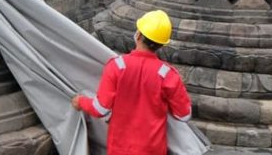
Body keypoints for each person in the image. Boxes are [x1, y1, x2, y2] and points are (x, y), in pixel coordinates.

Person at [72, 10, 192, 155]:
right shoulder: (168, 74)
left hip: (119, 149)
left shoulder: (116, 66)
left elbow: (101, 109)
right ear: (161, 44)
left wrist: (81, 102)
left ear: (139, 35)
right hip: (153, 149)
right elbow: (184, 115)